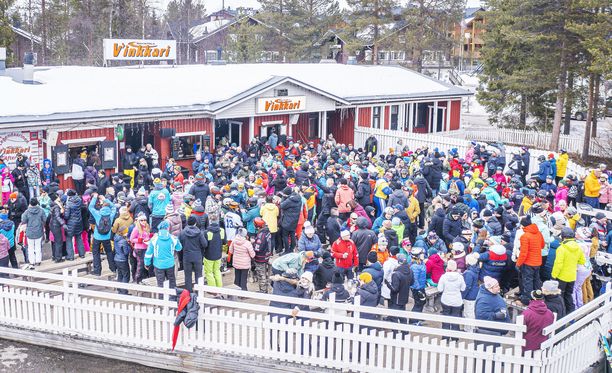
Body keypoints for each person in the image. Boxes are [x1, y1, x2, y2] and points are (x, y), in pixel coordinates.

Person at [551, 227, 586, 313]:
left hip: (561, 277)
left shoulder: (561, 248)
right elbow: (582, 261)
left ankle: (561, 315)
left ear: (563, 237)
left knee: (560, 297)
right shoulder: (578, 247)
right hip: (572, 276)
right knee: (568, 295)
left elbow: (558, 264)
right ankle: (571, 315)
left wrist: (553, 276)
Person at [144, 220, 183, 290]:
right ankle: (172, 298)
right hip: (170, 264)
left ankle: (162, 299)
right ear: (168, 228)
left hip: (158, 265)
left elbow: (148, 253)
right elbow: (179, 248)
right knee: (172, 283)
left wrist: (147, 263)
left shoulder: (154, 239)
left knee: (160, 284)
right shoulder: (173, 238)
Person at [517, 216, 544, 306]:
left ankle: (528, 300)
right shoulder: (538, 233)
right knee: (536, 280)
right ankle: (539, 298)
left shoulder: (525, 236)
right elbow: (542, 245)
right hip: (538, 261)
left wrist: (518, 263)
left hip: (528, 263)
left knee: (527, 282)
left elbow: (523, 253)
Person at [88, 193, 117, 275]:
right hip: (107, 237)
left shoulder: (97, 214)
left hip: (97, 237)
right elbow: (114, 207)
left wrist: (94, 197)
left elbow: (90, 207)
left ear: (102, 207)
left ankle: (97, 271)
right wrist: (105, 199)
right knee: (109, 252)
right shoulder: (111, 214)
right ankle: (113, 268)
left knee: (96, 253)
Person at [179, 216, 207, 293]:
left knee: (188, 276)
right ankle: (199, 293)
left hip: (187, 256)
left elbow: (179, 246)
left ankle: (189, 293)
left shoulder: (182, 233)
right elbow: (204, 244)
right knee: (198, 275)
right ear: (195, 223)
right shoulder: (199, 233)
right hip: (197, 256)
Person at [437, 259, 466, 330]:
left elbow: (439, 289)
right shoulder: (460, 277)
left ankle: (445, 337)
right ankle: (454, 338)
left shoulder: (443, 277)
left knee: (446, 318)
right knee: (455, 318)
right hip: (457, 300)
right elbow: (463, 288)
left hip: (446, 299)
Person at [384, 253, 413, 324]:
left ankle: (395, 334)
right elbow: (412, 283)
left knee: (394, 318)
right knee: (402, 317)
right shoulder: (410, 271)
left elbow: (394, 289)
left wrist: (387, 283)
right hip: (404, 298)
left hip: (396, 299)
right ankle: (405, 333)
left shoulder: (396, 274)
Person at [21, 198, 46, 266]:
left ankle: (32, 261)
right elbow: (44, 219)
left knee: (30, 248)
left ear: (30, 203)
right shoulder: (41, 210)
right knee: (38, 247)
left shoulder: (26, 212)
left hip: (29, 232)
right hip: (39, 231)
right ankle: (38, 261)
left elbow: (23, 220)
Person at [204, 217, 226, 288]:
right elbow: (224, 242)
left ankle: (212, 289)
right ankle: (219, 287)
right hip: (218, 255)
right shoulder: (222, 230)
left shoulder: (207, 232)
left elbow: (205, 245)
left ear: (210, 222)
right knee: (217, 271)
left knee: (209, 272)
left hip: (208, 256)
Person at [252, 217, 272, 293]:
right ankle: (265, 289)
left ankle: (263, 290)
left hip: (260, 257)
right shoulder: (267, 231)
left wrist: (253, 243)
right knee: (266, 274)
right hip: (267, 255)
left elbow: (258, 248)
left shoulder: (261, 235)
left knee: (261, 274)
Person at [462, 253, 481, 332]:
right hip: (475, 293)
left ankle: (470, 329)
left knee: (469, 313)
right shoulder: (476, 269)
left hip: (469, 296)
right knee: (471, 311)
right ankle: (469, 328)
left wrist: (462, 296)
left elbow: (467, 286)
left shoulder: (468, 273)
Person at [130, 213, 151, 283]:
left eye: (145, 220)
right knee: (140, 265)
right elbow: (131, 239)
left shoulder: (147, 226)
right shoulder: (136, 229)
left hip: (146, 247)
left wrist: (150, 237)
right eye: (142, 220)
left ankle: (144, 279)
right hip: (139, 249)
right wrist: (140, 240)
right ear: (139, 221)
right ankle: (137, 280)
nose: (144, 221)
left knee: (146, 264)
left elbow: (147, 236)